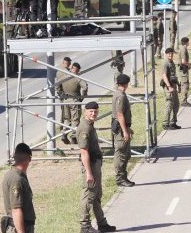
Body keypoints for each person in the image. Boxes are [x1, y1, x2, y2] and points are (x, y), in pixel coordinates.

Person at [77, 101, 116, 233]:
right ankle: (85, 225)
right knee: (88, 195)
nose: (93, 113)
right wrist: (89, 173)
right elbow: (84, 152)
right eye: (90, 111)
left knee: (96, 195)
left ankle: (102, 223)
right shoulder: (85, 127)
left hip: (95, 164)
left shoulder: (90, 125)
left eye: (95, 111)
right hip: (90, 166)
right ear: (85, 112)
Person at [2, 143, 35, 233]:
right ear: (29, 159)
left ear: (15, 157)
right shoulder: (17, 179)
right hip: (18, 227)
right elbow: (16, 209)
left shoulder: (12, 174)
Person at [112, 73, 134, 187]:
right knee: (121, 154)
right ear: (126, 84)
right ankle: (120, 178)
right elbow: (120, 114)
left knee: (126, 153)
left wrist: (128, 129)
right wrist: (125, 131)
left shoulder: (119, 93)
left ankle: (123, 177)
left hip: (123, 127)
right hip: (120, 129)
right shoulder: (120, 96)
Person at [57, 59, 86, 144]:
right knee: (75, 119)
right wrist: (82, 97)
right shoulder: (77, 78)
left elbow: (57, 85)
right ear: (78, 70)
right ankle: (74, 137)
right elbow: (85, 87)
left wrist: (61, 94)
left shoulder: (64, 76)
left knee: (66, 119)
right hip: (74, 100)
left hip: (65, 100)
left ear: (72, 67)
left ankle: (63, 133)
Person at [161, 47, 182, 130]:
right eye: (169, 53)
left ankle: (173, 122)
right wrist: (169, 86)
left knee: (176, 104)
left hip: (173, 85)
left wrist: (178, 85)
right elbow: (164, 75)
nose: (170, 55)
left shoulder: (171, 62)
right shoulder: (165, 63)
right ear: (166, 54)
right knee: (169, 104)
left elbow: (174, 75)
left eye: (172, 53)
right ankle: (166, 123)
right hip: (168, 86)